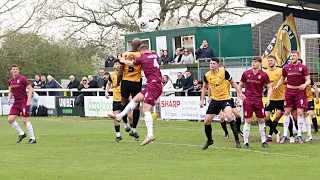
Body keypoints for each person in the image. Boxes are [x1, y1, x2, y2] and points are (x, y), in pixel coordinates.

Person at [109, 44, 163, 146]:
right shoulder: (154, 54)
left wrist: (122, 59)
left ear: (140, 51)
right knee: (135, 99)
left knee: (146, 110)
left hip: (154, 85)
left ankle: (150, 134)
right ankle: (119, 116)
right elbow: (144, 56)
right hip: (153, 84)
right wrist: (133, 54)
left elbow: (130, 62)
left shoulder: (142, 58)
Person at [200, 57, 245, 150]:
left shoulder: (224, 73)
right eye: (210, 63)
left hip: (226, 99)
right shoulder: (207, 75)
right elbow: (205, 87)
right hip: (215, 100)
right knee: (206, 121)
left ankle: (237, 140)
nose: (211, 65)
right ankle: (209, 140)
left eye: (213, 64)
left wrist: (240, 93)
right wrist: (202, 99)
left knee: (229, 116)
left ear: (217, 65)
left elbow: (233, 83)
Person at [273, 51, 310, 144]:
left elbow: (308, 80)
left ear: (298, 57)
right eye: (291, 56)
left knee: (300, 113)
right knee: (286, 112)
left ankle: (300, 135)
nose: (292, 57)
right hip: (289, 92)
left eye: (294, 56)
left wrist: (304, 85)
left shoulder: (303, 67)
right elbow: (282, 79)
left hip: (300, 92)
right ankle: (285, 135)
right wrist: (277, 85)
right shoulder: (286, 67)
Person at [238, 56, 272, 148]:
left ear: (260, 63)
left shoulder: (264, 75)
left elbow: (269, 87)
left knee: (261, 120)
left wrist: (268, 98)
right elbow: (240, 85)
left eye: (256, 62)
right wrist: (239, 95)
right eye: (252, 61)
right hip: (248, 99)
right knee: (248, 120)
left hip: (258, 99)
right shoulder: (246, 73)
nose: (253, 63)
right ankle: (246, 142)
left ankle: (263, 141)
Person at [116, 38, 142, 141]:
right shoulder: (140, 55)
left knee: (123, 103)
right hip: (136, 82)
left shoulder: (124, 54)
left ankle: (126, 124)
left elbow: (120, 71)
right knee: (136, 106)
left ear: (131, 44)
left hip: (126, 82)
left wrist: (118, 82)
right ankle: (134, 129)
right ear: (139, 46)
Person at [7, 64, 36, 144]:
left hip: (24, 101)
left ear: (18, 70)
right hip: (16, 102)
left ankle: (32, 138)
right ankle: (22, 133)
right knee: (10, 119)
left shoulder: (22, 78)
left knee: (25, 120)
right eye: (14, 69)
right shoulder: (10, 81)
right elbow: (10, 91)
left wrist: (28, 100)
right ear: (11, 71)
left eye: (16, 69)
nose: (15, 70)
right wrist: (9, 98)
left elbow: (30, 89)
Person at [106, 59, 132, 143]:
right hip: (116, 99)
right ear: (113, 66)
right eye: (116, 64)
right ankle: (118, 136)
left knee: (130, 116)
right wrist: (106, 92)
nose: (117, 65)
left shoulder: (125, 74)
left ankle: (130, 128)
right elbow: (109, 83)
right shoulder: (112, 75)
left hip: (125, 98)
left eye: (118, 64)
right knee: (116, 118)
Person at [264, 55, 285, 143]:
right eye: (268, 60)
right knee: (266, 117)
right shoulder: (265, 72)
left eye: (271, 60)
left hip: (281, 98)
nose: (270, 62)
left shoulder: (281, 70)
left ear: (275, 61)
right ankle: (276, 132)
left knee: (283, 116)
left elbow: (285, 80)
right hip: (270, 98)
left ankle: (290, 134)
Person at [297, 59, 319, 141]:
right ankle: (298, 132)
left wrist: (317, 98)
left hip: (308, 99)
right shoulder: (294, 77)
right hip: (299, 99)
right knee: (299, 115)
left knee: (311, 113)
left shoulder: (308, 78)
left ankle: (315, 130)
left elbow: (316, 88)